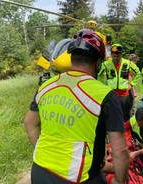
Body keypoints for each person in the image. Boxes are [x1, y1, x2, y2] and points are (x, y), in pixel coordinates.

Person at [24, 29, 129, 184]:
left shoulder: (46, 86)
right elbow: (120, 151)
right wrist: (120, 181)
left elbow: (29, 123)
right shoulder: (105, 95)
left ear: (71, 57)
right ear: (98, 63)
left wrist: (48, 155)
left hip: (39, 171)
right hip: (79, 177)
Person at [97, 43, 141, 121]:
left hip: (124, 96)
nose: (116, 56)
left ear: (121, 54)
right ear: (111, 54)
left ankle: (126, 132)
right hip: (112, 95)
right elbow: (99, 76)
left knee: (125, 117)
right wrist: (102, 87)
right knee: (112, 117)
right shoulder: (106, 64)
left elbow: (138, 74)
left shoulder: (128, 63)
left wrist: (131, 84)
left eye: (118, 54)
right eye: (114, 54)